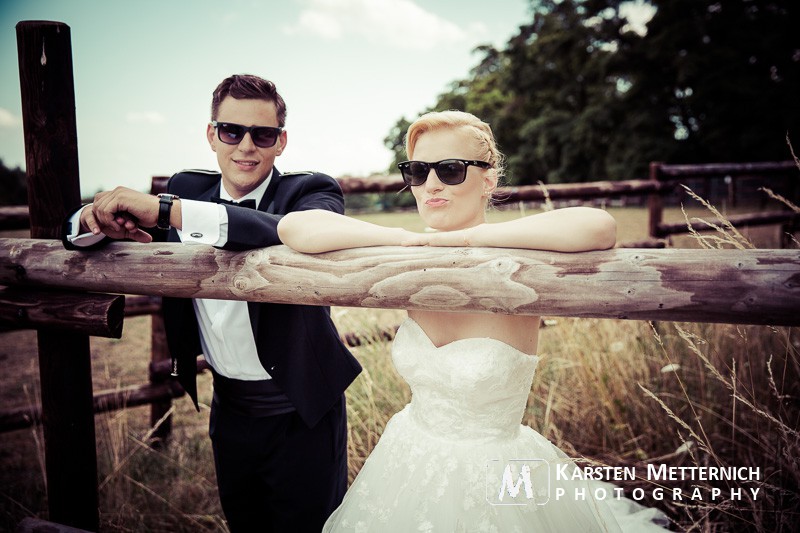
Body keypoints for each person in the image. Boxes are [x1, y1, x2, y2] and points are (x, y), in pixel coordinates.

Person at [277, 110, 670, 531]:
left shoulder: (521, 255)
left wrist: (466, 238)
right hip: (408, 457)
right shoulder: (411, 253)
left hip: (496, 470)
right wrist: (412, 240)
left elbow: (598, 226)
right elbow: (296, 227)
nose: (431, 184)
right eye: (418, 171)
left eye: (450, 170)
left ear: (489, 179)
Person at [62, 74, 361, 533]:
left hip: (303, 409)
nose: (246, 146)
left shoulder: (311, 191)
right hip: (230, 407)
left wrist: (166, 211)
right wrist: (93, 216)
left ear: (281, 142)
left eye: (262, 134)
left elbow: (280, 230)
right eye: (231, 131)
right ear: (211, 134)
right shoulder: (187, 188)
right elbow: (74, 238)